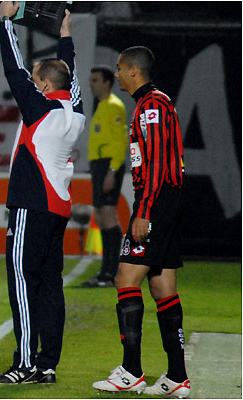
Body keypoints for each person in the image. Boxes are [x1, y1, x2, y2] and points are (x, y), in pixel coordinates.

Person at [0, 2, 85, 384]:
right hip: (58, 207)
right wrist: (65, 37)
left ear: (43, 85)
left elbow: (13, 69)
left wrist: (5, 21)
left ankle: (25, 363)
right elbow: (69, 73)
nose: (31, 81)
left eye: (36, 79)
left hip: (31, 204)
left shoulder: (39, 108)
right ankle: (47, 363)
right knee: (49, 286)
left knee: (21, 281)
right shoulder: (74, 109)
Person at [92, 46, 190, 398]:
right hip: (168, 200)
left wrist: (144, 210)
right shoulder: (153, 104)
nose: (116, 74)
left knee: (125, 278)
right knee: (163, 287)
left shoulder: (152, 106)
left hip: (157, 201)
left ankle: (132, 371)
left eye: (120, 69)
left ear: (134, 71)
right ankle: (177, 376)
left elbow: (159, 166)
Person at [81, 66, 128, 288]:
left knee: (109, 216)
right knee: (101, 217)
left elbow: (120, 141)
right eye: (90, 80)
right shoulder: (101, 106)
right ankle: (105, 273)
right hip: (99, 165)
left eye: (95, 80)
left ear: (107, 82)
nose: (91, 84)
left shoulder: (114, 107)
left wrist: (112, 170)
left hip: (109, 165)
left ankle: (111, 273)